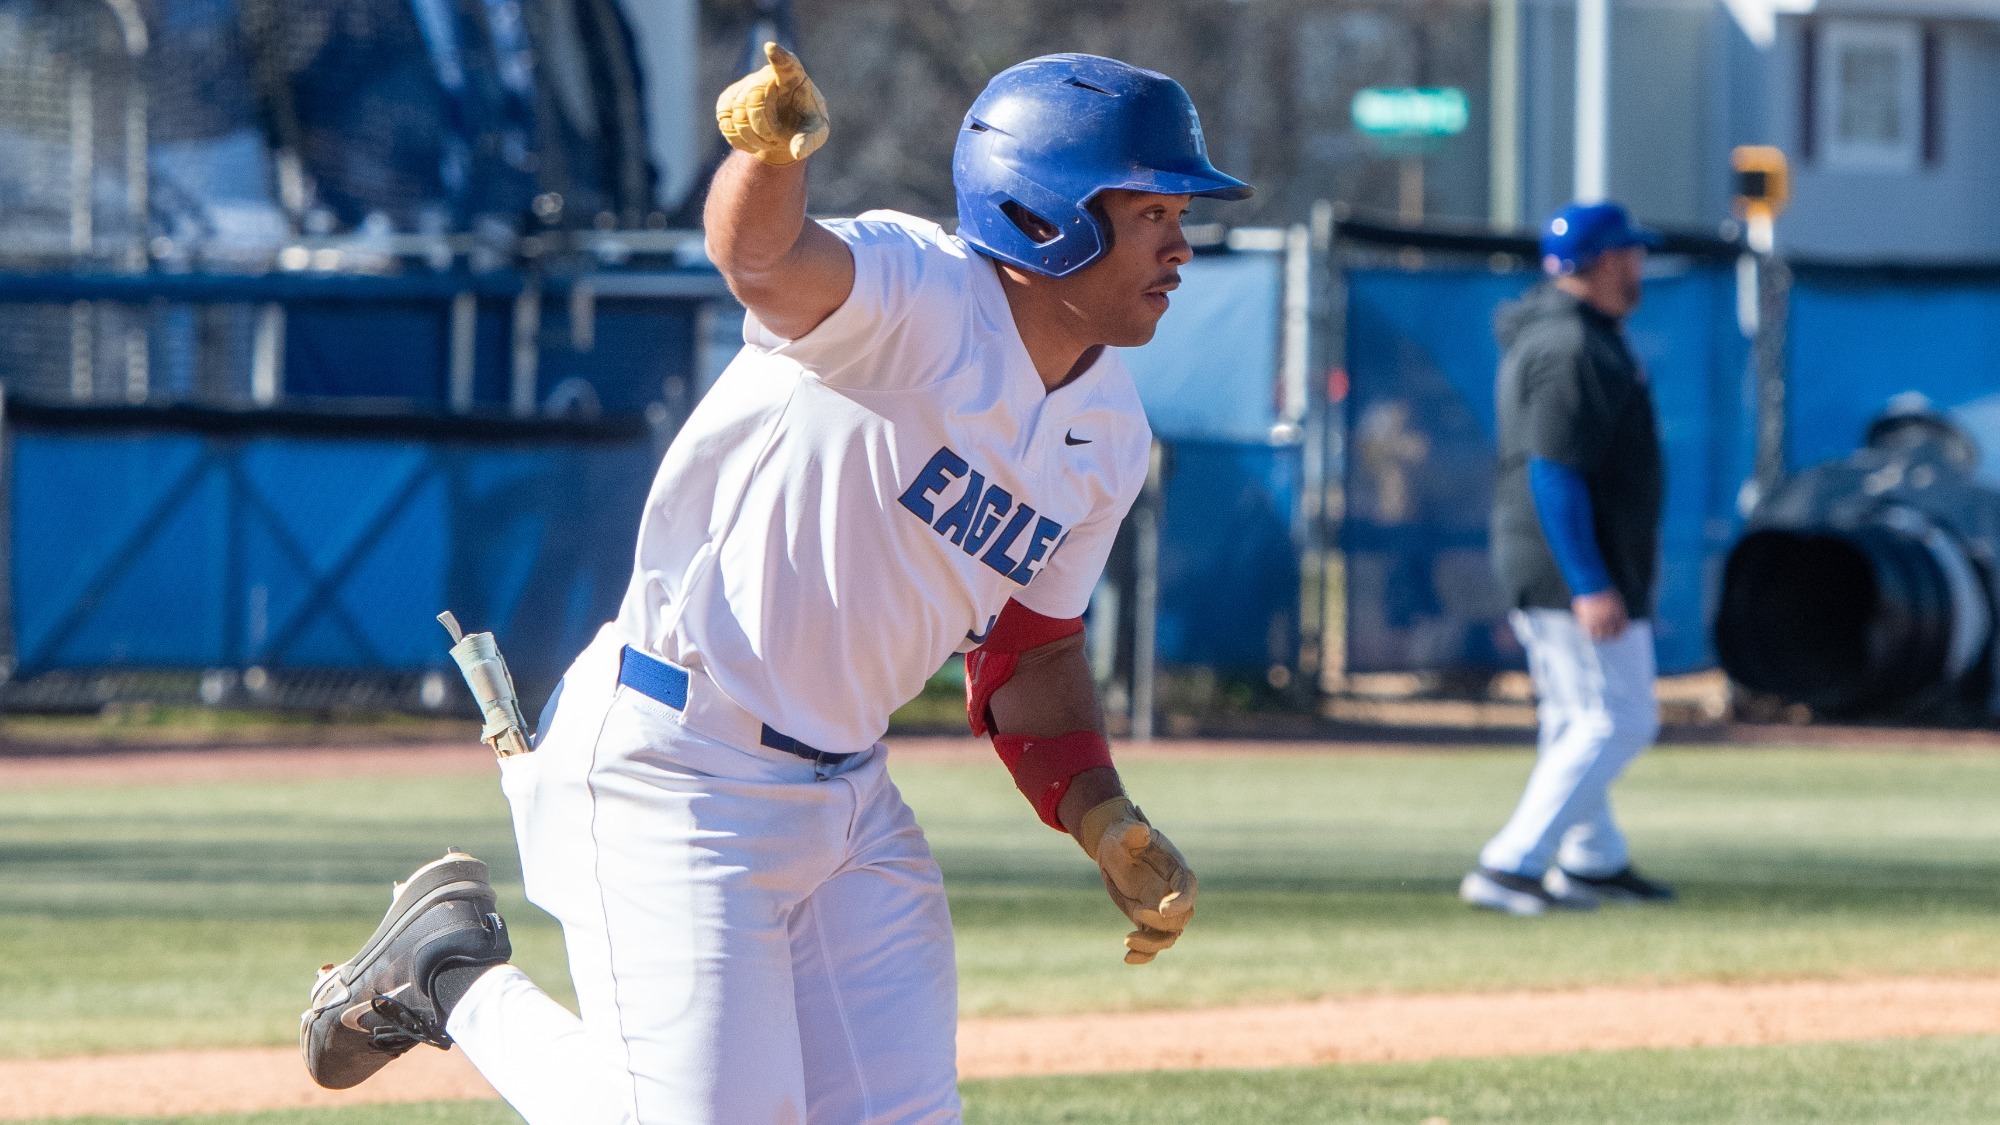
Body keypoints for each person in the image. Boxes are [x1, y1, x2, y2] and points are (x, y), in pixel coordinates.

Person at [298, 45, 1250, 1123]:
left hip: (847, 799)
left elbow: (1028, 649)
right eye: (1152, 213)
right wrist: (766, 156)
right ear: (1046, 216)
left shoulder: (1109, 432)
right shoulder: (919, 293)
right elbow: (764, 261)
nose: (1180, 247)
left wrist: (1100, 814)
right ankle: (449, 975)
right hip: (674, 763)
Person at [1459, 201, 1679, 917]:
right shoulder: (1570, 345)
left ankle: (1592, 862)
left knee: (1576, 716)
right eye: (1632, 252)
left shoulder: (1577, 335)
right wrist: (1589, 580)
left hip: (1559, 558)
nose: (1639, 264)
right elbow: (1551, 470)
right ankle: (1509, 864)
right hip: (1566, 564)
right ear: (1606, 260)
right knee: (1620, 718)